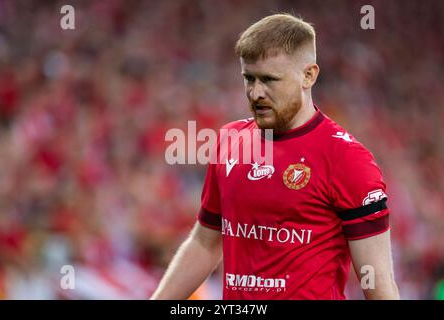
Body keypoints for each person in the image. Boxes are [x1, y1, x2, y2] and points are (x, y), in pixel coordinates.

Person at [151, 13, 399, 300]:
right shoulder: (231, 140)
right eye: (249, 78)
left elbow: (378, 283)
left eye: (269, 80)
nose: (256, 92)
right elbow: (205, 243)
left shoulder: (347, 159)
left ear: (309, 75)